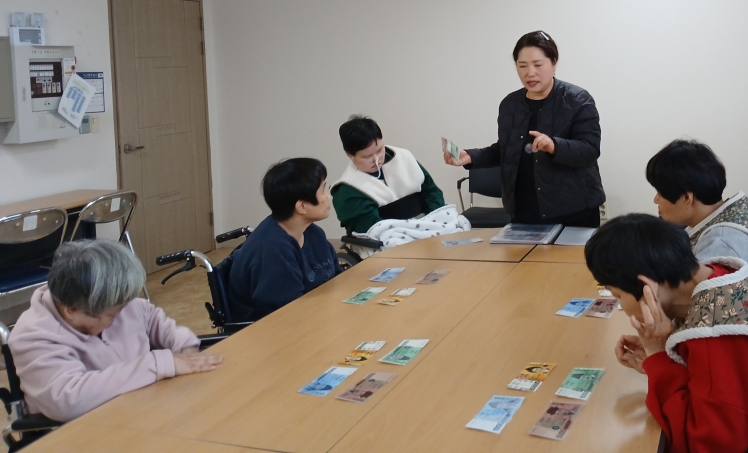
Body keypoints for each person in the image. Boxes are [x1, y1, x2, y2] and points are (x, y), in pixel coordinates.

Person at [584, 214, 748, 453]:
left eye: (618, 296)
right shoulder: (716, 276)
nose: (621, 305)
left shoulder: (716, 335)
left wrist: (657, 354)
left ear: (648, 287)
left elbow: (706, 444)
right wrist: (661, 358)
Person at [8, 239, 221, 422]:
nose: (122, 314)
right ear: (71, 310)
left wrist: (186, 351)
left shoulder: (113, 303)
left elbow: (153, 319)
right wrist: (156, 364)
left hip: (146, 411)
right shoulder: (33, 337)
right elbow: (67, 400)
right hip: (90, 430)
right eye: (112, 314)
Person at [444, 30, 605, 227]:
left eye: (538, 64)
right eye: (522, 66)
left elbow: (589, 150)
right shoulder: (510, 104)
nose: (530, 73)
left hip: (574, 210)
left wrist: (554, 146)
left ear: (554, 63)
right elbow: (507, 149)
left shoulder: (578, 100)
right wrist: (471, 156)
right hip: (524, 211)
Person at [646, 139, 748, 304]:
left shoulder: (722, 244)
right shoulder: (732, 211)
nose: (656, 200)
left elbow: (689, 301)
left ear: (686, 198)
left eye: (660, 193)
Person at [227, 157, 341, 322]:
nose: (328, 197)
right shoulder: (272, 250)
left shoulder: (313, 233)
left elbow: (337, 279)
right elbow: (288, 315)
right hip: (275, 330)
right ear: (301, 206)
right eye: (323, 190)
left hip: (317, 315)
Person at [332, 115, 446, 235]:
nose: (376, 160)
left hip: (429, 224)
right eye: (367, 156)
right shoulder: (348, 189)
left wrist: (434, 220)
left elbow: (432, 192)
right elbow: (372, 229)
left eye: (379, 150)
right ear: (349, 154)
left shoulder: (404, 157)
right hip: (392, 238)